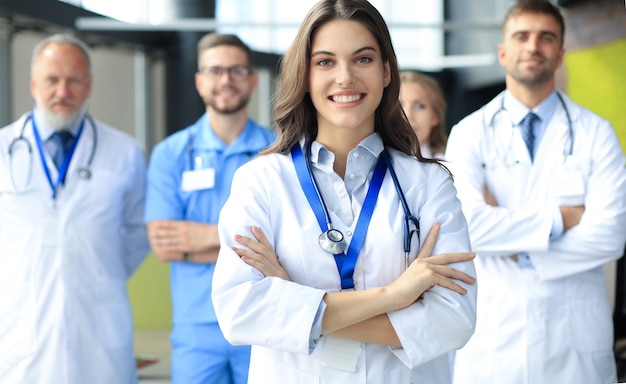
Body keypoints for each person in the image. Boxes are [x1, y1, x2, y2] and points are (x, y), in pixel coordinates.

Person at [211, 0, 477, 382]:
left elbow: (454, 320)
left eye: (363, 59)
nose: (345, 77)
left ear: (386, 71)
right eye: (325, 62)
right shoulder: (262, 182)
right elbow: (240, 312)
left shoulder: (429, 184)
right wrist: (393, 297)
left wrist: (294, 298)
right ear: (304, 76)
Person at [445, 1, 626, 383]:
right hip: (495, 340)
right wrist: (562, 219)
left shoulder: (597, 133)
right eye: (522, 36)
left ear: (560, 54)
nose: (533, 47)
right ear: (503, 52)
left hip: (575, 341)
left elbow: (610, 236)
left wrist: (518, 251)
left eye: (546, 38)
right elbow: (469, 229)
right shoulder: (469, 133)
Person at [0, 34, 150, 383]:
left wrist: (95, 269)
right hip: (20, 326)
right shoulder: (3, 148)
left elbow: (137, 233)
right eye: (52, 79)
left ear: (90, 85)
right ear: (34, 83)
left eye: (74, 79)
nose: (62, 91)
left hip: (98, 326)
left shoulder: (125, 152)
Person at [144, 32, 275, 384]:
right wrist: (248, 246)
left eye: (236, 70)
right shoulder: (171, 154)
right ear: (200, 81)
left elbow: (285, 241)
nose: (226, 80)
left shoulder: (277, 153)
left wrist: (199, 238)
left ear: (252, 80)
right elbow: (163, 245)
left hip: (262, 312)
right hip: (197, 325)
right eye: (216, 71)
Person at [399, 70, 448, 158]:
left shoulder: (452, 165)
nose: (408, 115)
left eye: (420, 106)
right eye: (398, 106)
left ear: (434, 116)